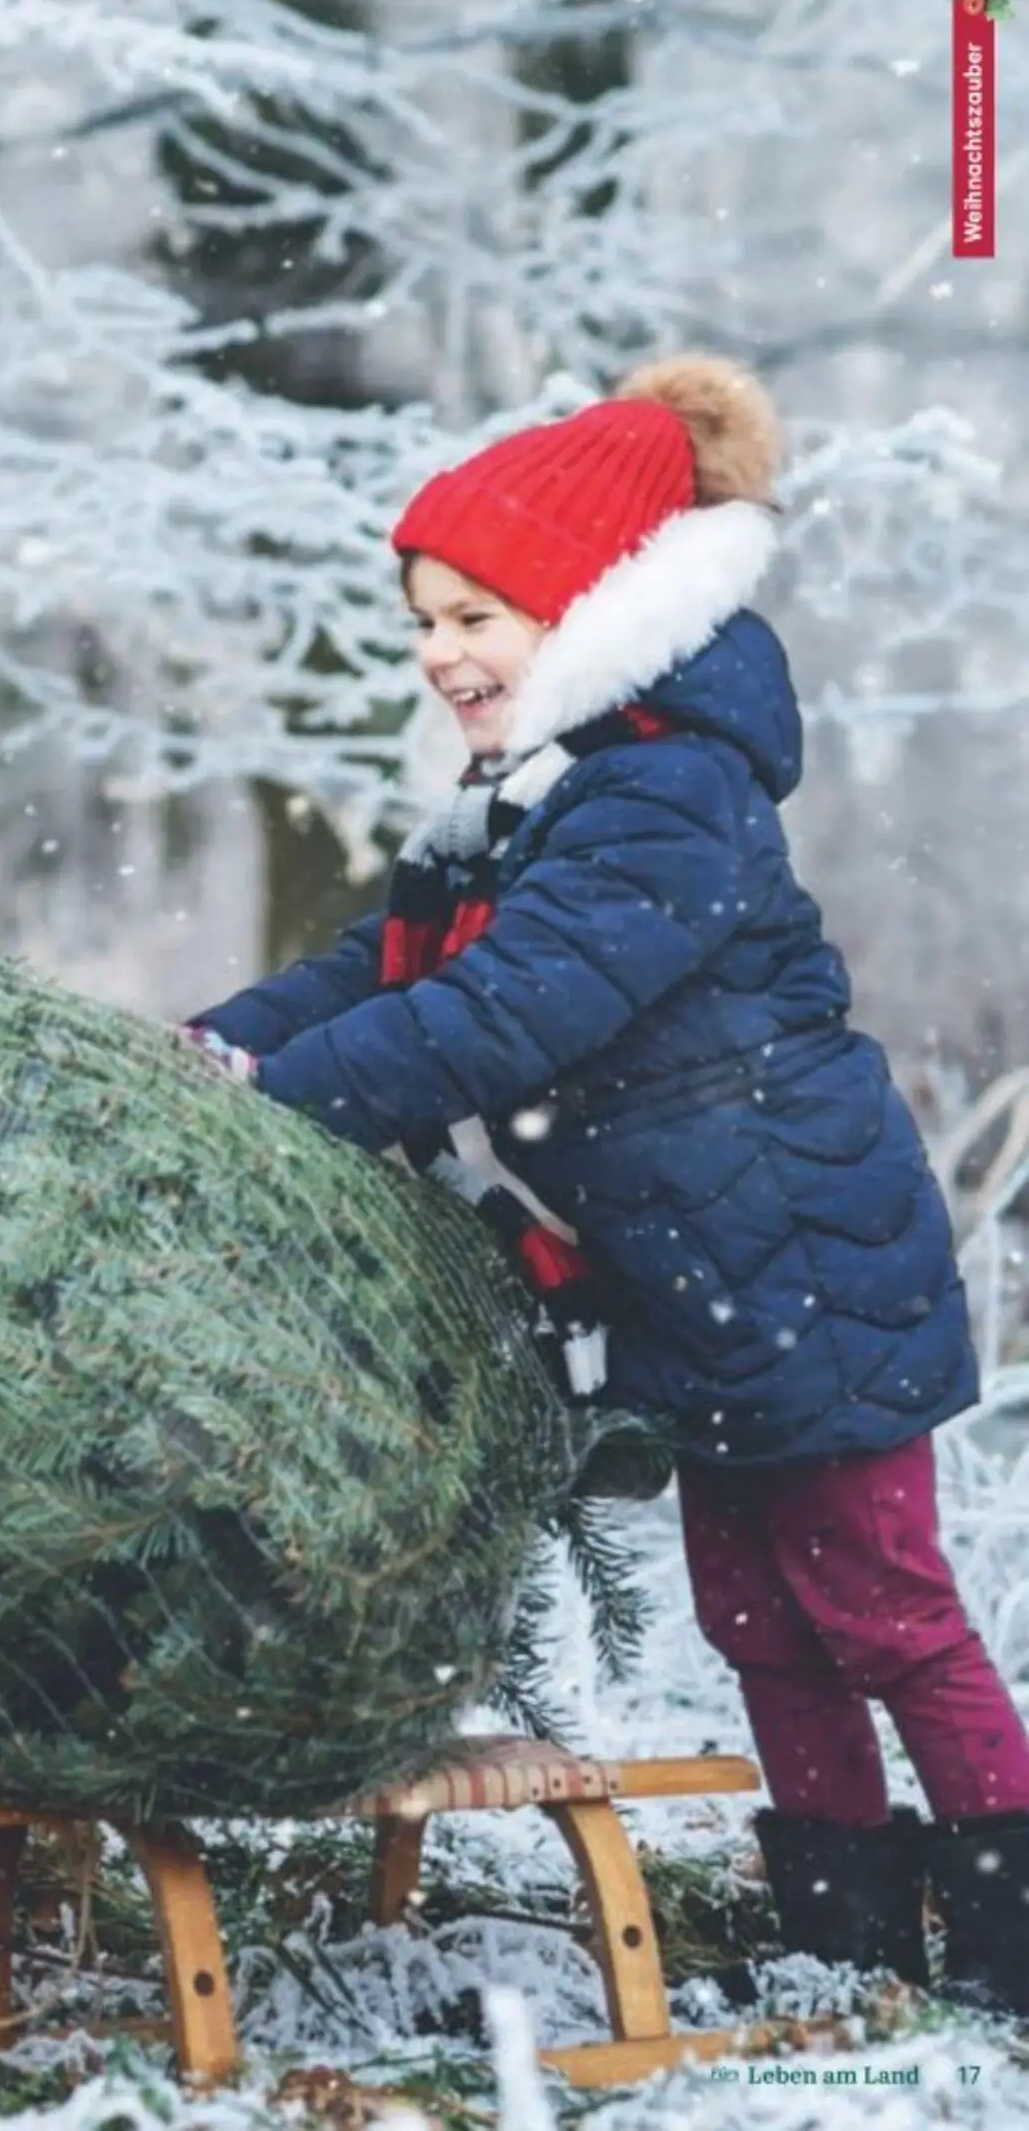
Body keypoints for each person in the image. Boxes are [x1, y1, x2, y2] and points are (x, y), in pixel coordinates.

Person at [176, 354, 1029, 2014]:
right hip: (697, 1273)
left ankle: (1001, 1935)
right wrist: (218, 1045)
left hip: (801, 1265)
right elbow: (384, 965)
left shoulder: (665, 796)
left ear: (581, 616)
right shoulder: (531, 801)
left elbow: (509, 1011)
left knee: (879, 1609)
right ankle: (840, 1935)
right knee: (756, 1619)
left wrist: (292, 1095)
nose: (439, 655)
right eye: (424, 618)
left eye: (476, 617)